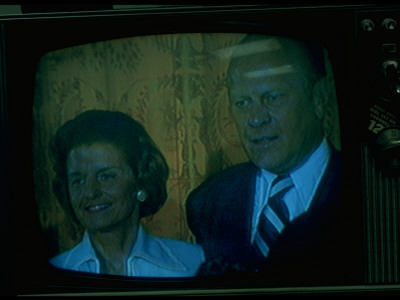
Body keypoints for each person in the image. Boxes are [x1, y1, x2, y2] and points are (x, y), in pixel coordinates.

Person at [186, 35, 360, 283]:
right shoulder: (207, 202)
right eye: (242, 102)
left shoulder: (366, 192)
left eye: (273, 97)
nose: (255, 119)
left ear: (319, 98)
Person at [49, 109, 204, 277]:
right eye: (77, 181)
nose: (90, 193)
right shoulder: (57, 268)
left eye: (106, 176)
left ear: (140, 179)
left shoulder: (193, 261)